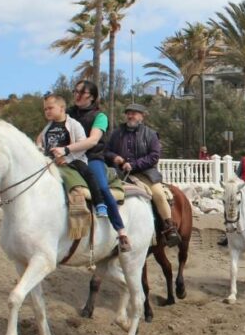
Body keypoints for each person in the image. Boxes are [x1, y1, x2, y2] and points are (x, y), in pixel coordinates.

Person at [39, 94, 131, 252]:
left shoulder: (75, 123)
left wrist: (67, 158)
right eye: (45, 109)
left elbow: (84, 144)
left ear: (61, 108)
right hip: (54, 163)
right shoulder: (48, 127)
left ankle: (110, 215)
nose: (47, 111)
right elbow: (40, 142)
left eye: (50, 108)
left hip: (76, 160)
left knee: (91, 178)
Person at [104, 103, 181, 247]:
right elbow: (106, 150)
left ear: (142, 116)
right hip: (120, 173)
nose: (131, 116)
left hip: (145, 173)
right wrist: (115, 157)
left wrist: (134, 164)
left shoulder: (150, 134)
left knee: (158, 194)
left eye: (134, 113)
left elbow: (154, 156)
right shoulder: (117, 133)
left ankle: (169, 227)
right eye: (129, 113)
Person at [66, 80, 129, 251]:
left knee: (101, 187)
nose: (77, 95)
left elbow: (93, 140)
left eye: (81, 93)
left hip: (91, 157)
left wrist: (67, 149)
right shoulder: (67, 113)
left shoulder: (100, 117)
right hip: (68, 158)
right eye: (75, 91)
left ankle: (121, 231)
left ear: (92, 97)